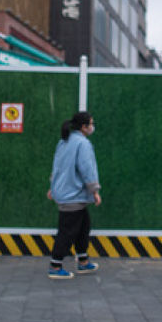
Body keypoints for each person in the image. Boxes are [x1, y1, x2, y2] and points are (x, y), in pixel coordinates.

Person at [46, 111, 101, 280]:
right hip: (73, 195)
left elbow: (57, 167)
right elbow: (87, 168)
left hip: (69, 193)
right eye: (91, 124)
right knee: (67, 232)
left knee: (83, 227)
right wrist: (94, 190)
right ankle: (55, 266)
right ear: (84, 127)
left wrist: (53, 187)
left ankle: (83, 261)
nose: (92, 127)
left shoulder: (64, 141)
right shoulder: (83, 143)